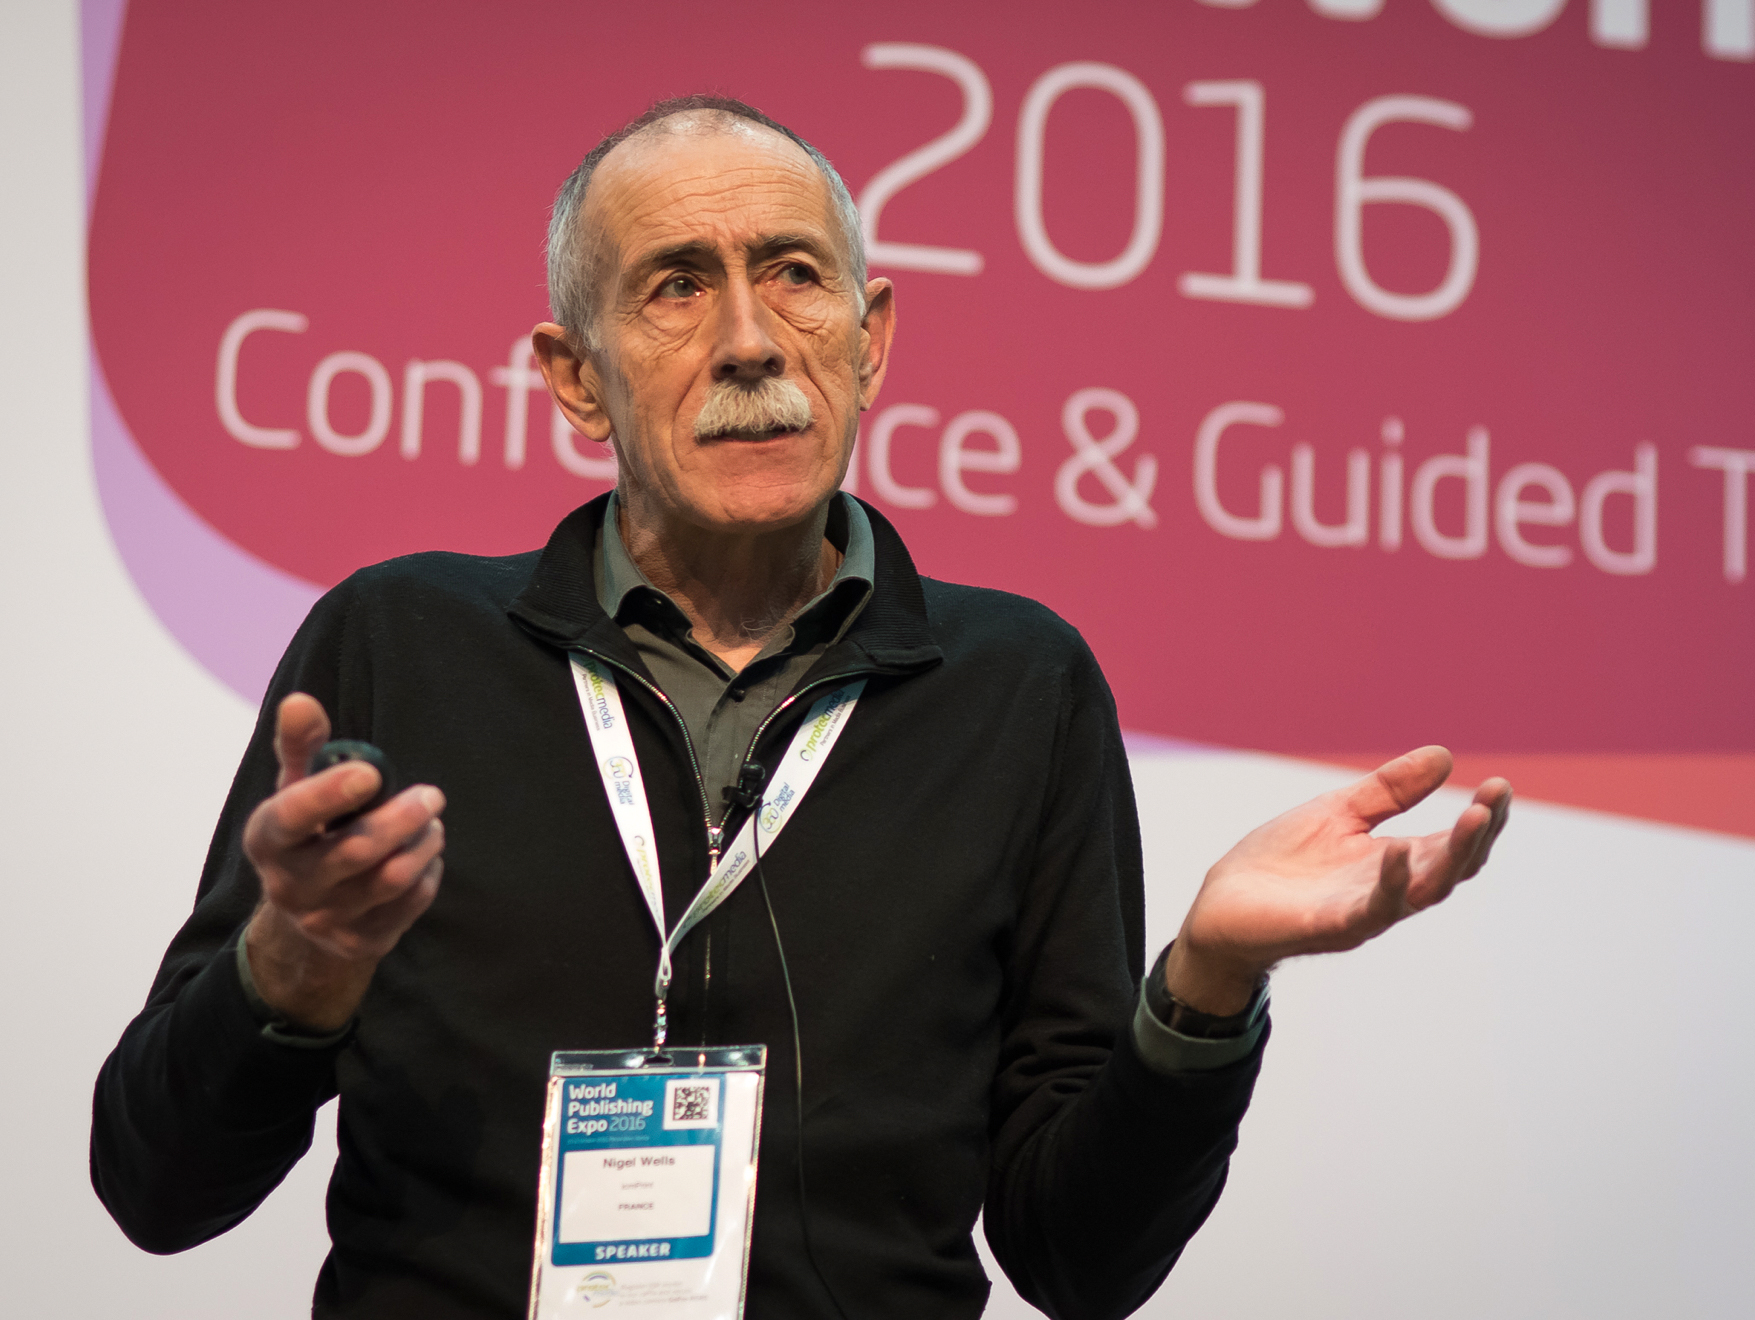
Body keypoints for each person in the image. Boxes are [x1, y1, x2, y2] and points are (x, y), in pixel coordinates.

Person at [92, 96, 1511, 1319]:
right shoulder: (401, 644)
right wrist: (291, 969)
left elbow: (1080, 1258)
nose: (751, 342)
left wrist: (1204, 982)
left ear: (869, 337)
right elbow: (156, 1187)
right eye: (675, 287)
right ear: (577, 380)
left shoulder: (1019, 687)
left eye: (793, 276)